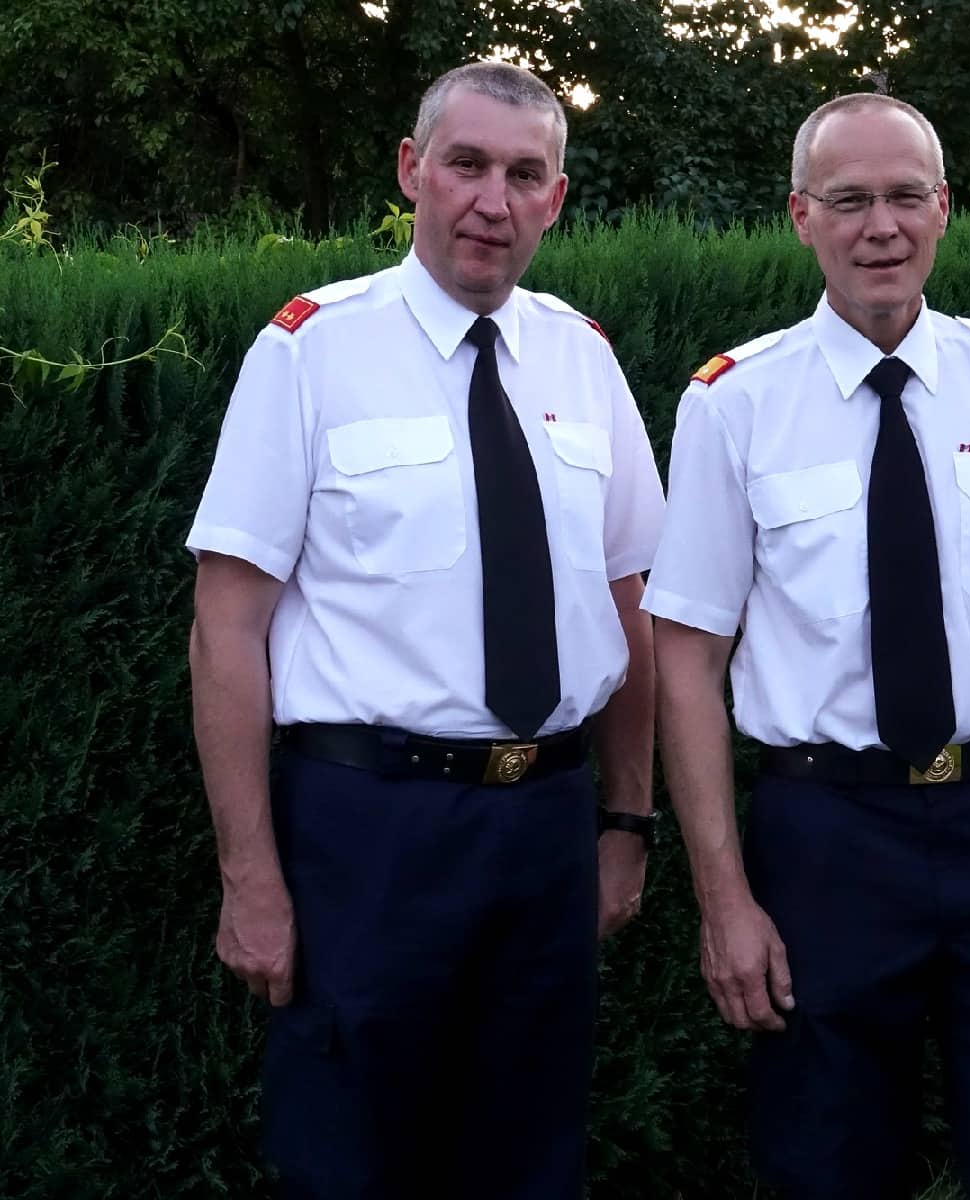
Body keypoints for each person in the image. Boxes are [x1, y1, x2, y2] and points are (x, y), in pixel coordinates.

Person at [186, 61, 664, 1200]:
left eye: (524, 175)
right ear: (412, 171)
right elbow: (226, 627)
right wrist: (250, 875)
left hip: (546, 825)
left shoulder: (584, 358)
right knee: (352, 1159)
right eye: (466, 165)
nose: (492, 201)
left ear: (556, 198)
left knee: (531, 1156)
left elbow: (631, 606)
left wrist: (627, 822)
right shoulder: (310, 350)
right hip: (368, 830)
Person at [644, 92, 970, 1200]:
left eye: (907, 196)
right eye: (850, 200)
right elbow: (687, 659)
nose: (882, 227)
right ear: (801, 216)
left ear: (944, 208)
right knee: (827, 1162)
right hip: (825, 838)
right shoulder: (733, 403)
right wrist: (725, 899)